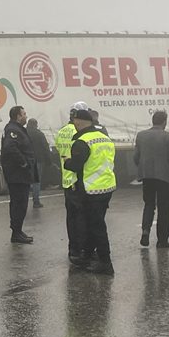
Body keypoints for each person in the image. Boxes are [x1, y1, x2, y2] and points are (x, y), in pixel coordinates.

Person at [66, 108, 116, 274]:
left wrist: (67, 162)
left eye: (75, 121)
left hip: (91, 189)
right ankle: (87, 255)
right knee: (93, 224)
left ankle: (105, 262)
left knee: (96, 227)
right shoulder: (104, 138)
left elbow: (76, 165)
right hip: (107, 187)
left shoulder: (82, 141)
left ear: (78, 122)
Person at [133, 110, 169, 249]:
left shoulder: (141, 135)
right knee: (164, 208)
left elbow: (136, 157)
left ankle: (145, 231)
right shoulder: (168, 137)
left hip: (147, 176)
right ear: (164, 122)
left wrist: (143, 168)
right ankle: (162, 241)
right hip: (164, 177)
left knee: (149, 204)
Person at [56, 103, 87, 262]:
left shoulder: (61, 132)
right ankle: (81, 250)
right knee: (81, 218)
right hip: (77, 179)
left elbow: (60, 151)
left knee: (71, 218)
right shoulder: (79, 132)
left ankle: (73, 249)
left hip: (66, 179)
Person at [1, 105, 36, 244]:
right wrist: (23, 163)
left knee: (21, 203)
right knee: (19, 203)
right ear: (18, 116)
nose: (26, 116)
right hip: (17, 174)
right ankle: (16, 232)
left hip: (20, 174)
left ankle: (18, 230)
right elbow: (10, 147)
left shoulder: (17, 129)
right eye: (24, 114)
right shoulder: (13, 130)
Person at [26, 118, 51, 207]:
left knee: (26, 180)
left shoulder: (23, 133)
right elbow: (45, 147)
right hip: (38, 160)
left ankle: (24, 201)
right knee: (36, 181)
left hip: (25, 160)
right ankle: (36, 201)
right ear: (36, 125)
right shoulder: (39, 134)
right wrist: (49, 160)